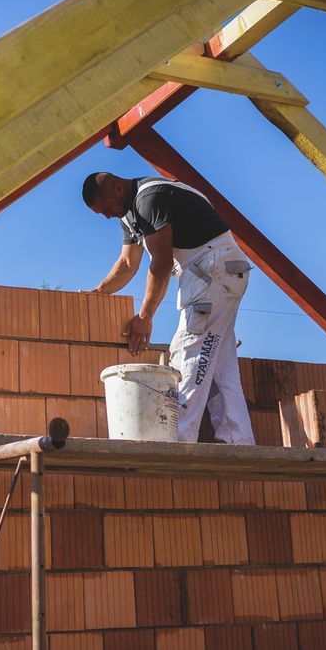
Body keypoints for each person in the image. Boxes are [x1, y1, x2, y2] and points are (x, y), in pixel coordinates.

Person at [82, 171, 255, 445]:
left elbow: (161, 262)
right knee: (219, 364)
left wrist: (145, 316)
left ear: (117, 187)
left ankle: (178, 441)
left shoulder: (149, 198)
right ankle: (239, 441)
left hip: (213, 271)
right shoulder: (129, 215)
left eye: (106, 208)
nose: (107, 216)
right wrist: (98, 293)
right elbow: (127, 263)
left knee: (189, 352)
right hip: (215, 274)